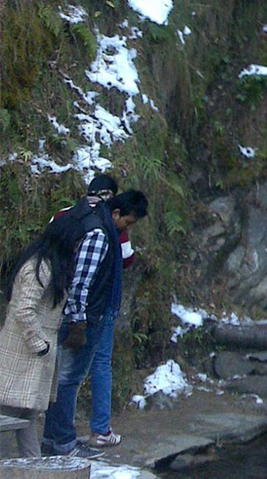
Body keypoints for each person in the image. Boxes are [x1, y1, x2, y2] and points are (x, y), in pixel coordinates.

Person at [40, 189, 148, 459]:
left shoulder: (92, 215)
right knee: (69, 380)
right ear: (116, 213)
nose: (127, 228)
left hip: (81, 314)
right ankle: (63, 442)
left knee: (63, 379)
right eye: (128, 222)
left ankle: (53, 440)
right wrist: (78, 322)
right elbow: (81, 282)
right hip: (85, 316)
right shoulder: (100, 234)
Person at [0, 218, 76, 459]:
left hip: (35, 354)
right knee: (8, 415)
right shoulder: (40, 266)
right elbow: (23, 309)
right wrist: (39, 345)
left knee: (27, 417)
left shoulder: (51, 265)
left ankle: (34, 467)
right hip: (23, 352)